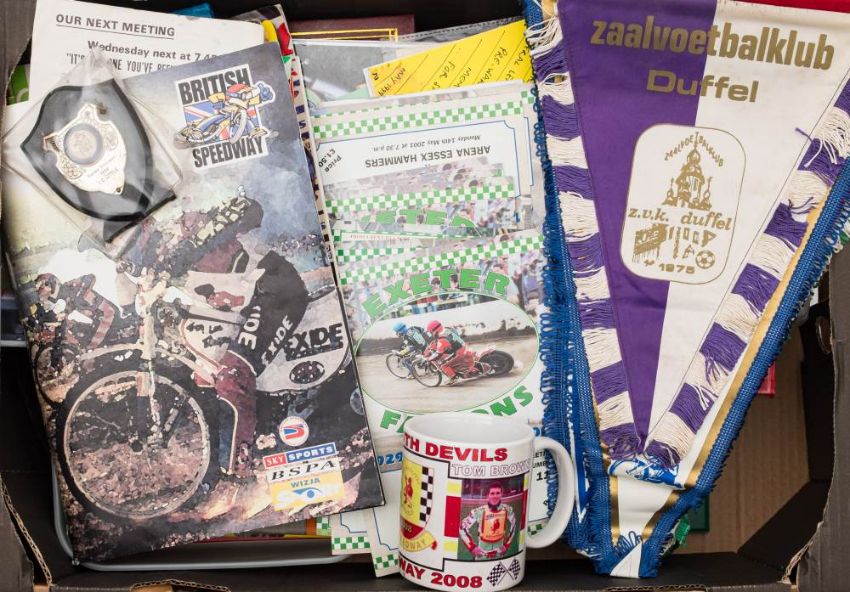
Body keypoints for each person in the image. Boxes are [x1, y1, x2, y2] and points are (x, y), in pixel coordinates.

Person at [460, 482, 517, 560]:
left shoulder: (507, 509)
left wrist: (507, 545)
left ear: (501, 494)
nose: (495, 496)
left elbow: (514, 524)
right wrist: (472, 547)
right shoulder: (478, 511)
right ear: (487, 495)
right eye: (492, 493)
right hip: (482, 555)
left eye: (498, 493)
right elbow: (462, 528)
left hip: (499, 554)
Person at [423, 320, 477, 384]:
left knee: (443, 365)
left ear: (435, 330)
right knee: (449, 357)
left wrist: (429, 359)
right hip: (464, 347)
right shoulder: (447, 330)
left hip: (460, 353)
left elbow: (438, 354)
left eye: (431, 332)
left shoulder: (441, 340)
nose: (431, 334)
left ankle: (453, 378)